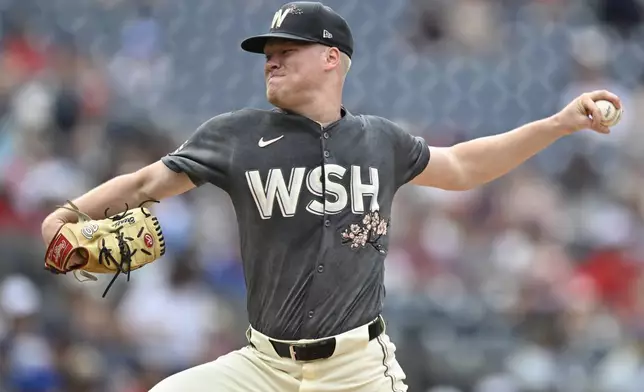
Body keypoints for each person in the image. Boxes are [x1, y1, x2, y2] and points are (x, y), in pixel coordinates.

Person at [40, 2, 622, 391]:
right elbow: (144, 185)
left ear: (331, 58)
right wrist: (63, 219)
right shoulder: (235, 134)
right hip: (262, 366)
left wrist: (558, 123)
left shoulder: (378, 140)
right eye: (269, 49)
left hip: (357, 369)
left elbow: (465, 165)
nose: (272, 56)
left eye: (287, 47)